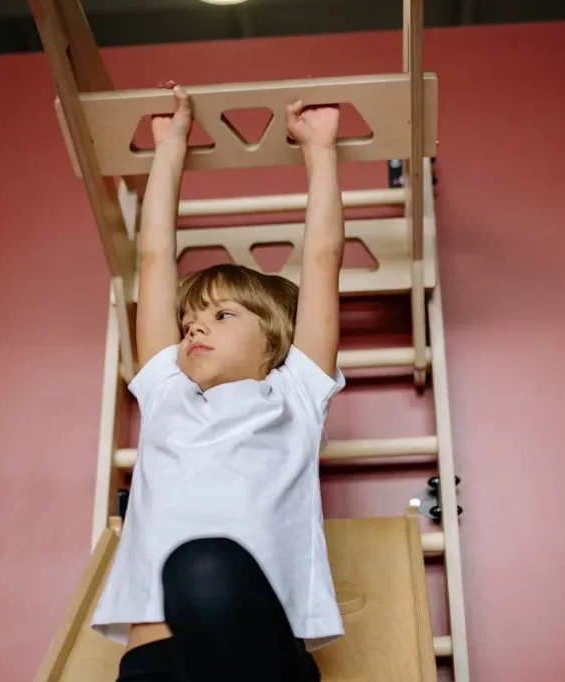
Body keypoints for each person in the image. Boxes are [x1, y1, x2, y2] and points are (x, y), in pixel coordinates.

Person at [89, 81, 347, 682]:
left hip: (261, 659)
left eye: (222, 316)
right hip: (156, 663)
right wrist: (169, 146)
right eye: (188, 322)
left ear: (275, 339)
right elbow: (153, 257)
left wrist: (321, 149)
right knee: (191, 569)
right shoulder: (165, 390)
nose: (194, 330)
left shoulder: (295, 393)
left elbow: (322, 255)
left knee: (202, 566)